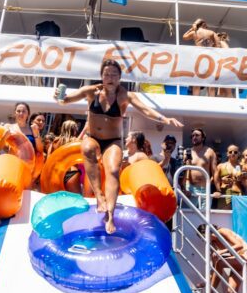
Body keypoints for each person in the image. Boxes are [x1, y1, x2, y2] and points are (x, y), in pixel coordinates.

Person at [55, 59, 183, 234]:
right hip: (93, 137)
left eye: (114, 74)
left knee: (113, 170)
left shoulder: (125, 96)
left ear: (120, 78)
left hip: (113, 140)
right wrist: (59, 97)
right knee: (87, 149)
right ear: (101, 76)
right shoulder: (92, 92)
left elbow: (145, 110)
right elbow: (66, 100)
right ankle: (99, 196)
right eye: (106, 74)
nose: (110, 77)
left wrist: (164, 119)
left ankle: (110, 215)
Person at [196, 223, 247, 293]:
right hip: (236, 261)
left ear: (208, 233)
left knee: (220, 262)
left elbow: (239, 245)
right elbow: (215, 269)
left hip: (246, 256)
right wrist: (206, 281)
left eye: (203, 237)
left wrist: (223, 251)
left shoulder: (222, 231)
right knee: (231, 292)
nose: (204, 240)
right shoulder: (213, 244)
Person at [183, 19, 221, 96]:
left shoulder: (194, 32)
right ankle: (212, 100)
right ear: (204, 24)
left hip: (199, 57)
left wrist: (191, 28)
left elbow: (184, 37)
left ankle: (196, 100)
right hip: (210, 57)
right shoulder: (211, 32)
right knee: (211, 82)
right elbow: (218, 45)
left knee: (197, 81)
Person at [182, 128, 218, 210]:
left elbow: (215, 171)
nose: (194, 137)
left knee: (205, 217)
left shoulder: (210, 152)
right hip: (190, 189)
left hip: (205, 189)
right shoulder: (186, 152)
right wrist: (184, 189)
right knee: (188, 215)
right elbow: (183, 173)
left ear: (203, 138)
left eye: (197, 135)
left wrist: (218, 190)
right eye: (192, 136)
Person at [50, 120, 82, 194]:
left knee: (57, 200)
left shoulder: (55, 141)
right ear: (74, 129)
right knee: (75, 200)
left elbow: (49, 157)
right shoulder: (75, 141)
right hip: (71, 172)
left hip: (57, 173)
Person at [213, 145, 245, 209]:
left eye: (235, 152)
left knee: (237, 216)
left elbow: (246, 182)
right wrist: (218, 189)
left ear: (238, 154)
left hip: (238, 195)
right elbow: (215, 179)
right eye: (230, 152)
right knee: (222, 216)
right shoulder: (220, 166)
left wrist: (241, 178)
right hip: (224, 195)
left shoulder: (242, 167)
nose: (233, 153)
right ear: (227, 154)